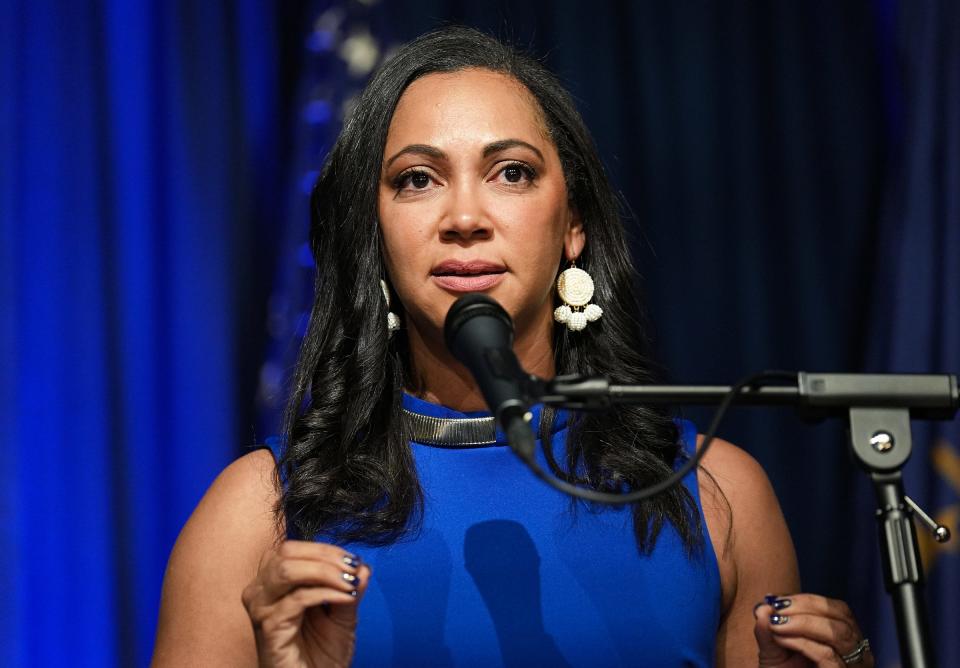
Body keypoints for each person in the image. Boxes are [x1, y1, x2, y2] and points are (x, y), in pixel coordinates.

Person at [152, 26, 873, 667]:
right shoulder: (256, 515)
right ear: (375, 238)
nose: (465, 216)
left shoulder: (719, 493)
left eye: (512, 173)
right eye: (417, 179)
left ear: (573, 225)